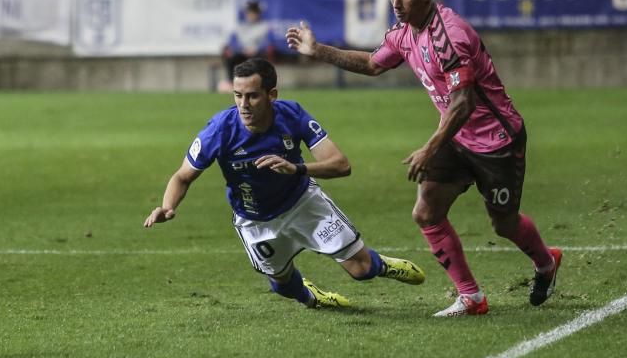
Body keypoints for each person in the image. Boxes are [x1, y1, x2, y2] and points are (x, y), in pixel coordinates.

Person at [285, 0, 562, 317]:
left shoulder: (450, 36)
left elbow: (463, 103)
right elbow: (372, 64)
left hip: (496, 141)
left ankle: (546, 262)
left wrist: (429, 148)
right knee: (426, 212)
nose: (397, 3)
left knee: (503, 223)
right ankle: (471, 297)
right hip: (455, 138)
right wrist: (317, 50)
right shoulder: (404, 32)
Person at [144, 57, 426, 309]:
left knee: (361, 269)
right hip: (254, 220)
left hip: (302, 204)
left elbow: (341, 165)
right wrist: (167, 206)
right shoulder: (219, 130)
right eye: (237, 95)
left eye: (253, 96)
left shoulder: (292, 115)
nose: (243, 105)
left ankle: (384, 265)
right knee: (282, 284)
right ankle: (311, 296)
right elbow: (182, 175)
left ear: (272, 95)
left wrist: (297, 168)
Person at [220, 0, 274, 89]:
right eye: (249, 12)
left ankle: (261, 85)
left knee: (260, 61)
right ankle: (232, 83)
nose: (251, 15)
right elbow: (232, 43)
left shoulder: (265, 27)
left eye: (254, 12)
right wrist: (242, 49)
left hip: (258, 53)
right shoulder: (240, 27)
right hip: (243, 53)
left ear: (258, 13)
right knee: (233, 59)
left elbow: (269, 43)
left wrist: (257, 49)